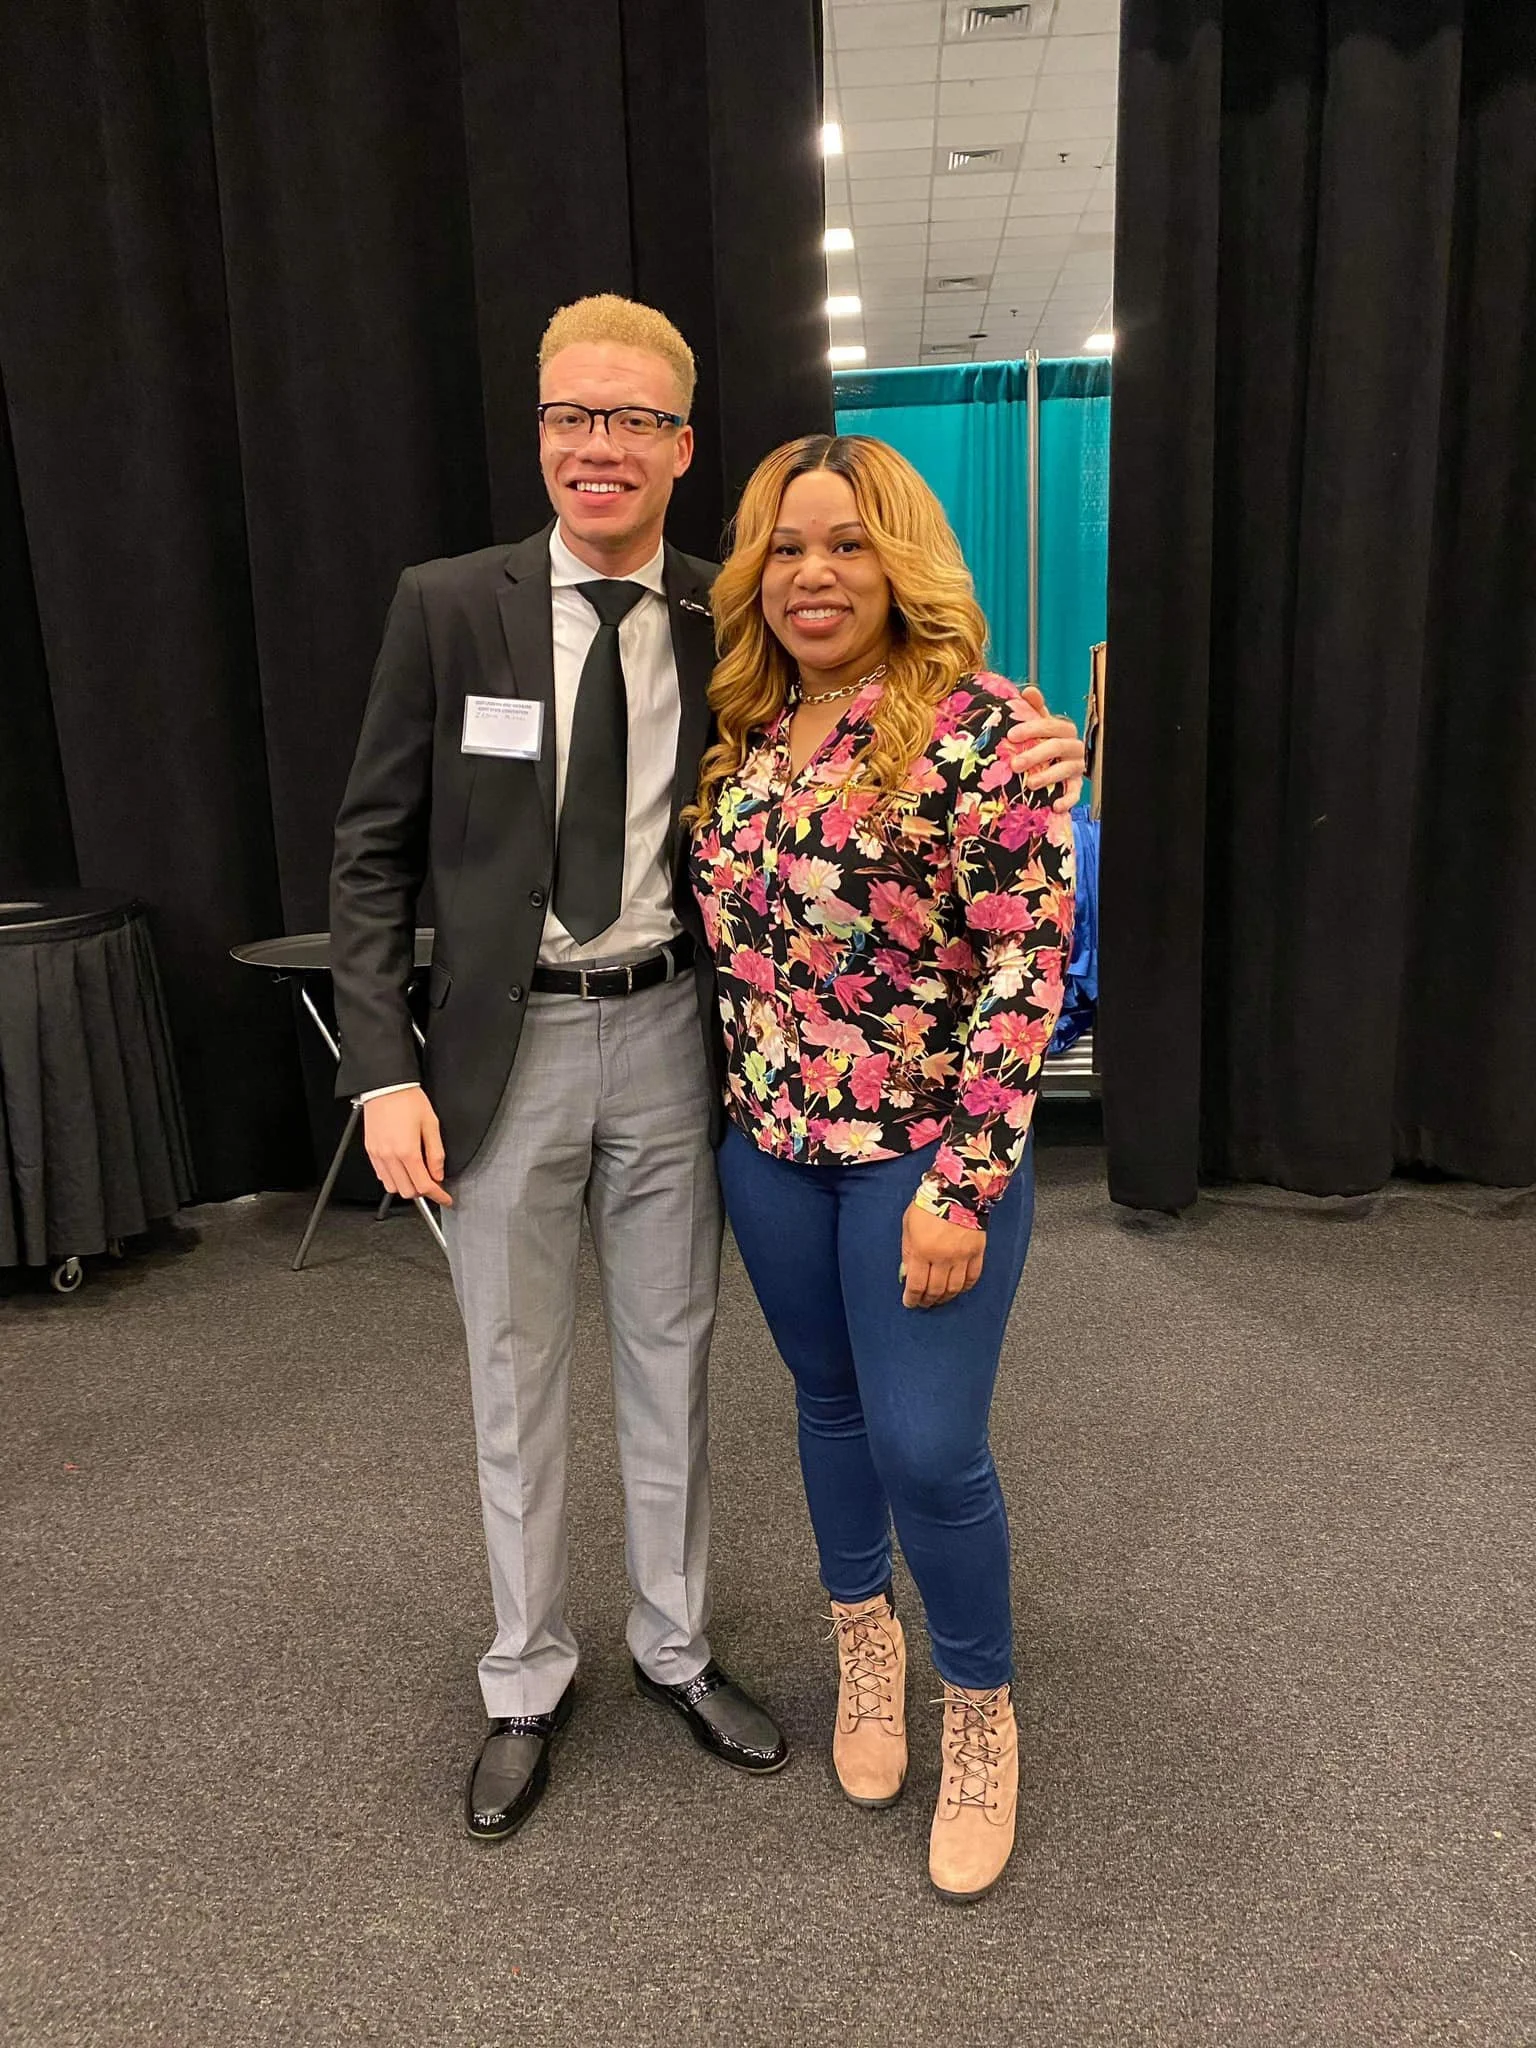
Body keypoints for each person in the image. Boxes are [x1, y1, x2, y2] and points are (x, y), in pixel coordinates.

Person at [329, 295, 1087, 1846]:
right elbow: (369, 851)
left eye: (632, 419)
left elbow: (942, 760)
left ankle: (673, 1646)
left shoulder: (721, 618)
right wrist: (377, 1065)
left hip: (683, 1046)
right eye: (570, 415)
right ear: (541, 429)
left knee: (674, 1357)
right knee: (512, 1371)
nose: (596, 446)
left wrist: (1047, 739)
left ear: (682, 446)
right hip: (508, 1051)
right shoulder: (451, 606)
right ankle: (525, 1678)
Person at [687, 433, 1075, 1903]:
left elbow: (1027, 972)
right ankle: (866, 1640)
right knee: (830, 1405)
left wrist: (966, 1184)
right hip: (771, 1151)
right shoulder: (744, 727)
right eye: (787, 547)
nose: (815, 573)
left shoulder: (978, 730)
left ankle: (979, 1709)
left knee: (929, 1448)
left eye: (848, 543)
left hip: (918, 1159)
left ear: (900, 560)